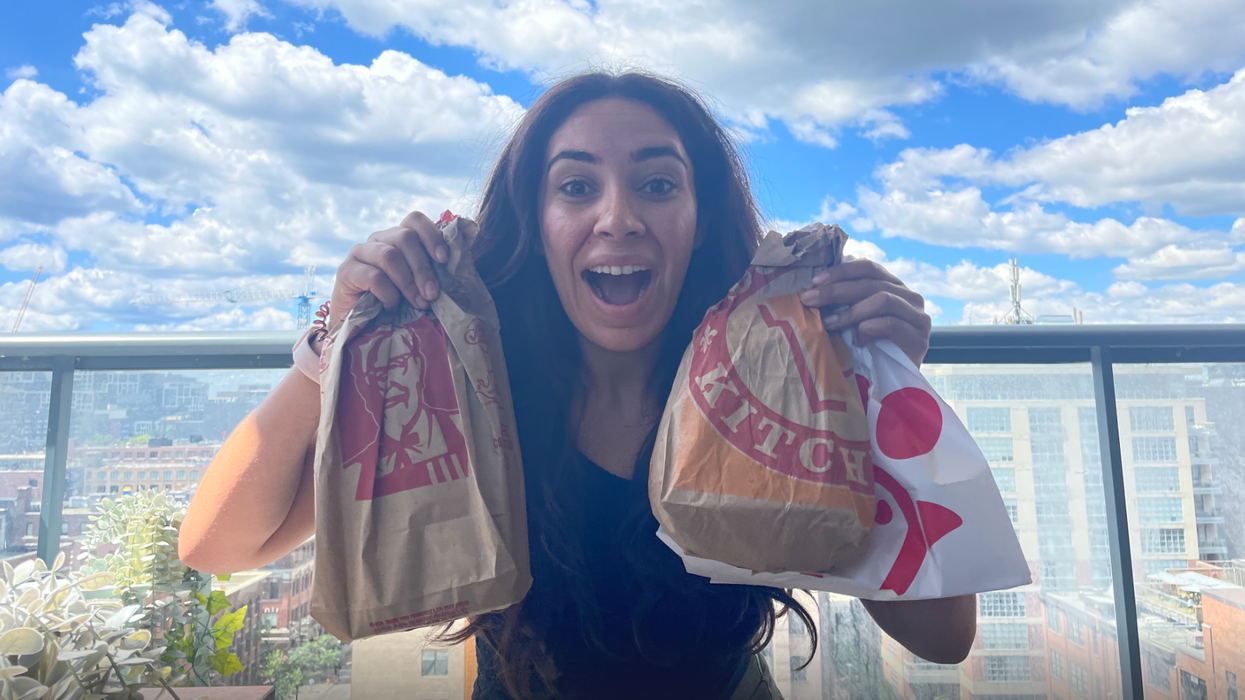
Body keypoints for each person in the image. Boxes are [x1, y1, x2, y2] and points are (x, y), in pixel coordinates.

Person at [179, 72, 976, 700]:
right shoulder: (468, 391)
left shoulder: (784, 385)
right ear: (536, 220)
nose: (618, 216)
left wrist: (881, 392)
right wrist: (337, 342)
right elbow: (218, 547)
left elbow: (942, 636)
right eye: (575, 186)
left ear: (699, 219)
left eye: (659, 185)